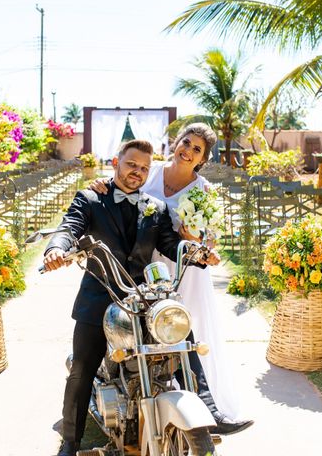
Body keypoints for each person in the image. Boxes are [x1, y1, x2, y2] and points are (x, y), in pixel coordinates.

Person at [43, 140, 235, 456]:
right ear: (116, 162)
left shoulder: (154, 208)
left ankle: (206, 409)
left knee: (179, 338)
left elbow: (171, 243)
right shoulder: (91, 199)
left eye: (144, 168)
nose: (138, 172)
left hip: (141, 299)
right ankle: (70, 441)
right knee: (82, 369)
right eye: (132, 164)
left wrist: (197, 253)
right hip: (99, 296)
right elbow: (69, 227)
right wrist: (55, 250)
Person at [89, 123, 250, 424]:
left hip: (185, 269)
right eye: (186, 142)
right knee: (138, 329)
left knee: (185, 333)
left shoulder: (204, 191)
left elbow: (210, 240)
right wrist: (101, 184)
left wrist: (194, 240)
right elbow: (121, 183)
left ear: (203, 159)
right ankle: (137, 396)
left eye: (197, 150)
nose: (188, 151)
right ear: (176, 142)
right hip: (144, 263)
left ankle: (205, 406)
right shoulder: (149, 171)